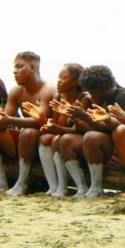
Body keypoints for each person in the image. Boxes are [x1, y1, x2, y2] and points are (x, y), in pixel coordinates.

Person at [0, 52, 55, 194]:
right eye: (14, 68)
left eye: (19, 67)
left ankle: (22, 183)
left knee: (29, 131)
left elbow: (39, 121)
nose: (15, 71)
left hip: (43, 144)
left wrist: (9, 120)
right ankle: (0, 182)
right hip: (22, 143)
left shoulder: (48, 90)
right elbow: (5, 119)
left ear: (32, 68)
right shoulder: (15, 91)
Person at [56, 65, 125, 198]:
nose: (90, 97)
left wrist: (85, 117)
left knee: (92, 137)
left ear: (102, 89)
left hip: (123, 147)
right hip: (104, 144)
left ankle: (96, 186)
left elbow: (113, 128)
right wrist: (76, 118)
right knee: (65, 140)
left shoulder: (124, 96)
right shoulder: (98, 98)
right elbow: (89, 128)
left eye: (93, 93)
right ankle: (82, 187)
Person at [41, 64, 89, 197]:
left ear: (76, 81)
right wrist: (42, 120)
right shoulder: (58, 97)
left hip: (81, 142)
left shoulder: (84, 99)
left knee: (58, 140)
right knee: (45, 139)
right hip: (63, 137)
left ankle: (81, 186)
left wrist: (56, 129)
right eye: (58, 77)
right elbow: (55, 125)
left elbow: (78, 129)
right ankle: (57, 187)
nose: (59, 80)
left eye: (63, 77)